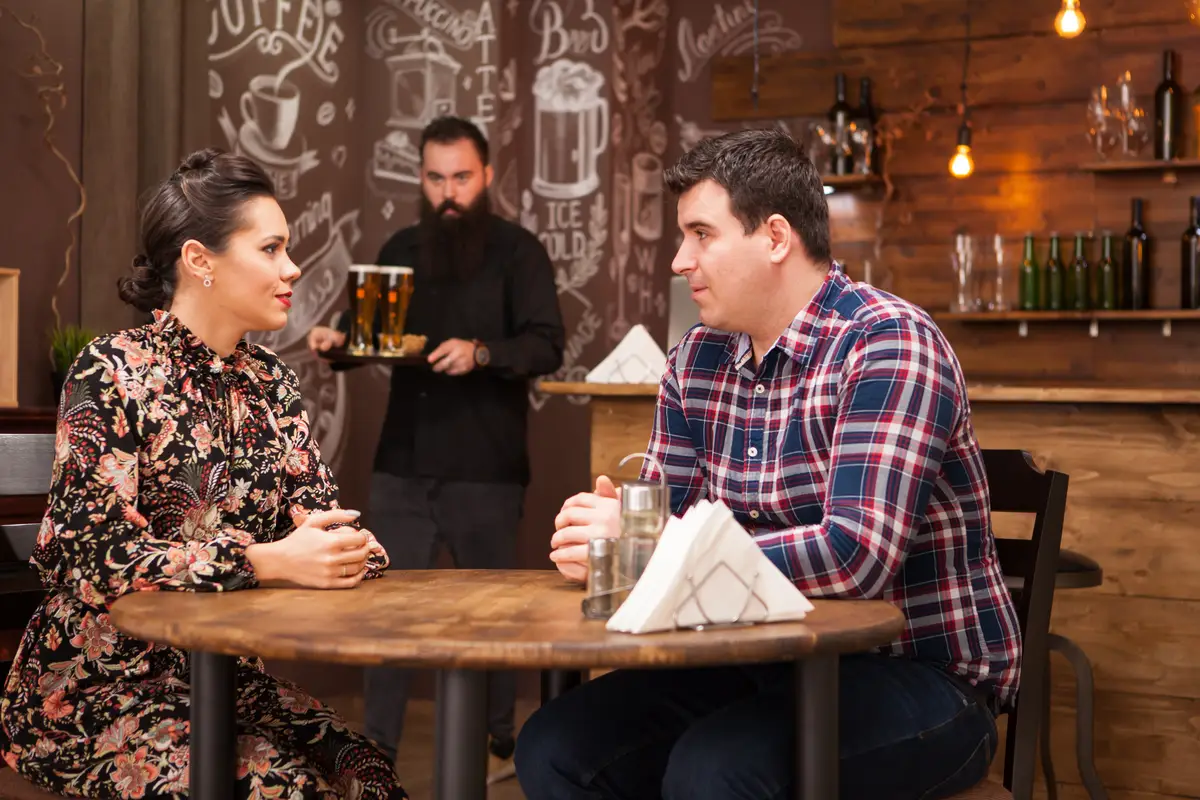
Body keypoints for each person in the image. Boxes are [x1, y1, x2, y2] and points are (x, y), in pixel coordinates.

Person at [516, 129, 1023, 799]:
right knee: (553, 748)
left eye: (701, 234)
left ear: (776, 237)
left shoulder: (888, 342)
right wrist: (616, 546)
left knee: (715, 768)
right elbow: (669, 535)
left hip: (920, 676)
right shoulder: (695, 360)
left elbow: (856, 553)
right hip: (752, 657)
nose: (678, 260)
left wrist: (662, 544)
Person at [0, 149, 407, 799]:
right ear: (200, 261)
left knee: (369, 778)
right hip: (96, 694)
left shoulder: (271, 380)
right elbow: (82, 557)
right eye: (271, 248)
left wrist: (344, 550)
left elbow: (321, 522)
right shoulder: (114, 372)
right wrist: (266, 562)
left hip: (230, 682)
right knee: (287, 792)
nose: (292, 268)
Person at [307, 116, 564, 764]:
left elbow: (547, 344)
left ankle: (501, 734)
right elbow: (368, 335)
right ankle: (378, 749)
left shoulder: (519, 250)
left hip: (487, 462)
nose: (449, 192)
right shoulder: (399, 247)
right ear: (421, 178)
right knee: (385, 609)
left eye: (461, 178)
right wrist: (338, 342)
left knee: (495, 615)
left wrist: (480, 353)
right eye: (436, 178)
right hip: (404, 459)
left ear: (487, 176)